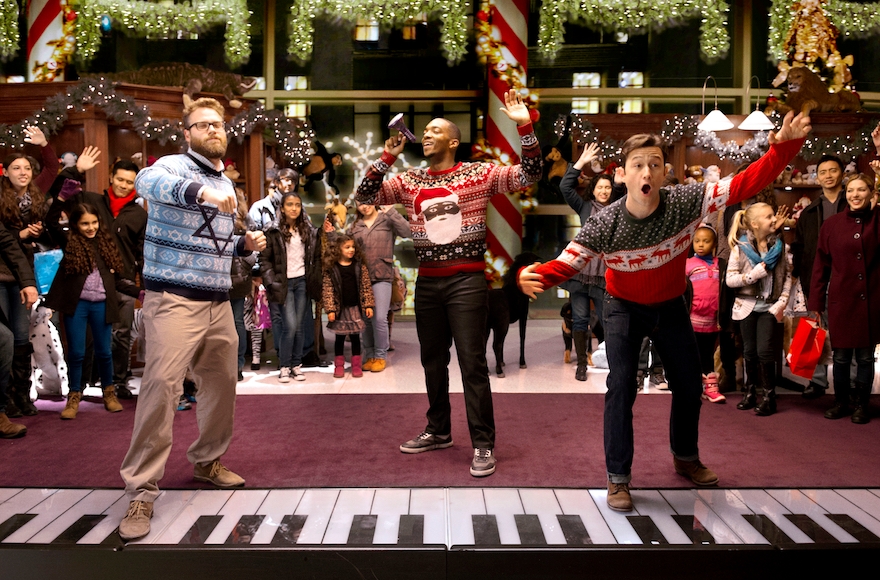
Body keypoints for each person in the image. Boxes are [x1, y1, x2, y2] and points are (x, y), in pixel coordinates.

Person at [518, 111, 811, 511]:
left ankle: (685, 458)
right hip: (622, 307)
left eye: (655, 165)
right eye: (638, 165)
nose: (647, 172)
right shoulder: (605, 223)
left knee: (690, 385)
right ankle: (618, 478)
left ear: (664, 173)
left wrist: (785, 147)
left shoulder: (687, 200)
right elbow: (568, 261)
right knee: (622, 387)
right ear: (623, 174)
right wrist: (530, 275)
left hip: (672, 303)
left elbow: (746, 182)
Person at [356, 89, 543, 478]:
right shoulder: (409, 181)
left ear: (453, 141)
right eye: (422, 131)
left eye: (434, 130)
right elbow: (365, 194)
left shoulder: (479, 173)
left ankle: (483, 443)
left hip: (467, 281)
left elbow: (531, 173)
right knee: (432, 361)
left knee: (472, 363)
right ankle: (439, 430)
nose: (425, 135)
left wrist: (523, 125)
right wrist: (387, 155)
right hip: (428, 282)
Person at [117, 97, 267, 541]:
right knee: (162, 388)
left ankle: (206, 461)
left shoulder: (226, 180)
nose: (213, 130)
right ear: (187, 133)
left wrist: (243, 245)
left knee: (222, 385)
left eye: (218, 124)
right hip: (173, 299)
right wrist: (200, 191)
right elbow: (148, 181)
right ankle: (141, 489)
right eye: (202, 124)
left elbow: (214, 237)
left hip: (218, 301)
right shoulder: (173, 166)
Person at [46, 156, 147, 400]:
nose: (124, 185)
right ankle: (81, 384)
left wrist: (143, 288)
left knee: (121, 336)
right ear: (112, 177)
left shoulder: (139, 215)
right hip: (83, 285)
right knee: (85, 341)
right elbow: (54, 197)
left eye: (130, 182)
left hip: (121, 282)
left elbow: (143, 253)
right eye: (120, 179)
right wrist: (76, 170)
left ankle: (117, 384)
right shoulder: (90, 201)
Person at [809, 172, 879, 424]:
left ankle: (861, 404)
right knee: (839, 356)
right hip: (840, 301)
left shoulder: (877, 220)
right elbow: (821, 266)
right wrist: (815, 303)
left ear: (871, 193)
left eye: (861, 190)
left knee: (864, 356)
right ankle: (840, 401)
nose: (855, 195)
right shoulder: (832, 224)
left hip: (871, 301)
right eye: (851, 190)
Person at [0, 126, 59, 417]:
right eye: (16, 168)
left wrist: (44, 143)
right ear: (6, 172)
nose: (22, 172)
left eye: (26, 168)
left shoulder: (35, 193)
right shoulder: (0, 195)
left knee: (22, 335)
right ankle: (6, 398)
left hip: (24, 272)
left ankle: (23, 395)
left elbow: (51, 167)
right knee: (6, 336)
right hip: (2, 271)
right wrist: (21, 233)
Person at [559, 143, 625, 380]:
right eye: (601, 187)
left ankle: (610, 363)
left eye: (608, 187)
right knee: (580, 319)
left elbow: (624, 195)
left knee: (608, 319)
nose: (604, 191)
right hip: (580, 272)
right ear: (593, 190)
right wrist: (578, 164)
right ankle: (581, 365)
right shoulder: (585, 206)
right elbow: (565, 187)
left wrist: (619, 183)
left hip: (604, 274)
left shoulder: (619, 208)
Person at [725, 203, 792, 416]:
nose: (774, 219)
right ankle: (750, 392)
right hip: (746, 306)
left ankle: (769, 397)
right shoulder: (740, 248)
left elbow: (788, 278)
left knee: (765, 351)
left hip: (770, 308)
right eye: (768, 216)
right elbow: (730, 280)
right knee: (749, 351)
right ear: (754, 223)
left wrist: (781, 302)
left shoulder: (781, 248)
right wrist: (753, 275)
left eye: (774, 215)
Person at [791, 154, 846, 400]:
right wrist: (805, 279)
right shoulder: (809, 212)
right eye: (823, 172)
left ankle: (852, 382)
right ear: (817, 176)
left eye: (833, 171)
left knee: (848, 330)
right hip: (817, 279)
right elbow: (800, 247)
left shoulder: (853, 204)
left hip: (848, 279)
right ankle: (816, 381)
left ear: (842, 174)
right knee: (815, 329)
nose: (828, 176)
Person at [259, 190, 321, 383]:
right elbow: (264, 260)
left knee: (301, 326)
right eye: (289, 205)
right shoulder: (272, 229)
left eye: (297, 205)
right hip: (283, 283)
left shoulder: (308, 229)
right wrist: (271, 282)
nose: (294, 208)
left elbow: (315, 257)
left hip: (302, 280)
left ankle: (296, 365)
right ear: (282, 208)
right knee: (290, 326)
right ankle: (284, 365)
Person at [348, 203, 410, 372]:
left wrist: (391, 211)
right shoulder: (355, 226)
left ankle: (380, 355)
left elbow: (407, 232)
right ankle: (369, 355)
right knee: (366, 319)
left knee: (380, 318)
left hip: (383, 275)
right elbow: (345, 249)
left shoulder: (387, 219)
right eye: (360, 204)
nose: (364, 207)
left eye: (367, 202)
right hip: (361, 278)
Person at [0, 222, 39, 437]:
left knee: (6, 338)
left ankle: (1, 411)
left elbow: (9, 245)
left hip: (10, 280)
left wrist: (28, 282)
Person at [322, 234, 374, 377]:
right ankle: (339, 365)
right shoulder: (332, 269)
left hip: (355, 308)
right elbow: (328, 290)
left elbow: (365, 286)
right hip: (340, 310)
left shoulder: (359, 266)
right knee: (339, 338)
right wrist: (331, 309)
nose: (351, 250)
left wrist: (368, 305)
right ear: (338, 249)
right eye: (347, 247)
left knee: (356, 338)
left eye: (353, 247)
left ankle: (356, 365)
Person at [685, 224, 725, 403]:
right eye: (697, 241)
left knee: (709, 352)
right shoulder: (688, 264)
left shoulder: (720, 265)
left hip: (713, 320)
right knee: (692, 353)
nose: (700, 245)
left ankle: (710, 387)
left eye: (706, 241)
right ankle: (692, 386)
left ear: (714, 243)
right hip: (693, 318)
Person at [229, 187, 258, 382]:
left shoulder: (246, 223)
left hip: (237, 280)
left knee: (237, 322)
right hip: (214, 280)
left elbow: (254, 254)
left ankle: (237, 365)